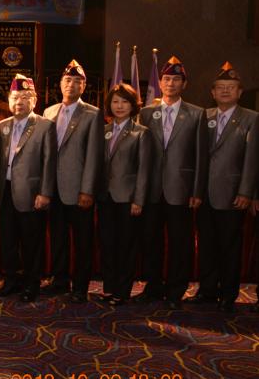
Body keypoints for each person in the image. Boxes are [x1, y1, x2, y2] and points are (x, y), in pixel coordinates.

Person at [137, 56, 208, 310]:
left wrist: (197, 190)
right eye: (166, 79)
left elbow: (201, 156)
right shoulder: (146, 113)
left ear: (184, 84)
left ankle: (176, 291)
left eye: (176, 79)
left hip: (181, 189)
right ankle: (153, 287)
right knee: (151, 240)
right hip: (152, 189)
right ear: (160, 82)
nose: (170, 83)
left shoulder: (196, 114)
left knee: (181, 242)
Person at [187, 63, 258, 313]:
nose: (225, 91)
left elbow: (252, 159)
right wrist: (195, 191)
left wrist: (246, 192)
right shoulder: (203, 116)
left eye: (231, 87)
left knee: (229, 246)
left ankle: (228, 293)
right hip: (204, 194)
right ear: (213, 92)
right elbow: (197, 157)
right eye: (220, 87)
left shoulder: (251, 118)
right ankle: (207, 291)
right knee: (206, 245)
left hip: (232, 194)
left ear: (240, 92)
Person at [42, 59, 104, 302]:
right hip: (53, 189)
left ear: (84, 86)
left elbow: (94, 156)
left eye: (77, 81)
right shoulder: (49, 112)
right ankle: (59, 281)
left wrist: (87, 190)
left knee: (82, 241)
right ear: (60, 84)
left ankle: (80, 287)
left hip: (79, 190)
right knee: (57, 238)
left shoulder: (92, 114)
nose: (71, 84)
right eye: (67, 80)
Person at [0, 75, 56, 303]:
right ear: (9, 100)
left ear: (34, 100)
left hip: (32, 193)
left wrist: (45, 192)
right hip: (6, 191)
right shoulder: (2, 127)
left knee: (31, 242)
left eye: (24, 97)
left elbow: (49, 162)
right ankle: (11, 281)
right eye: (15, 97)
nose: (19, 102)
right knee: (8, 241)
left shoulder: (45, 126)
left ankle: (31, 284)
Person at [97, 83, 151, 306]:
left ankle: (122, 290)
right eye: (115, 101)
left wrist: (139, 199)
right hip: (105, 197)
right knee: (107, 243)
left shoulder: (141, 133)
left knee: (126, 246)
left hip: (128, 199)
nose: (119, 106)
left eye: (124, 102)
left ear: (133, 105)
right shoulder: (104, 131)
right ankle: (109, 288)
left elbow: (144, 170)